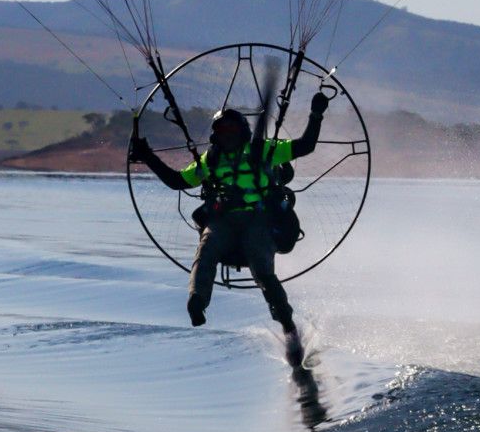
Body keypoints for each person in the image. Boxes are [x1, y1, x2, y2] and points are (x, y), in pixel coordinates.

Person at [130, 90, 330, 344]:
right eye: (222, 131)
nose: (228, 135)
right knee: (206, 250)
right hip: (222, 222)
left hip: (260, 221)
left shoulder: (266, 150)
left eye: (232, 130)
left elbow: (305, 146)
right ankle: (197, 301)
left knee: (261, 266)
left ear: (243, 131)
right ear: (216, 135)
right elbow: (176, 180)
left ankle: (287, 325)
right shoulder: (210, 161)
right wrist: (147, 156)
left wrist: (316, 115)